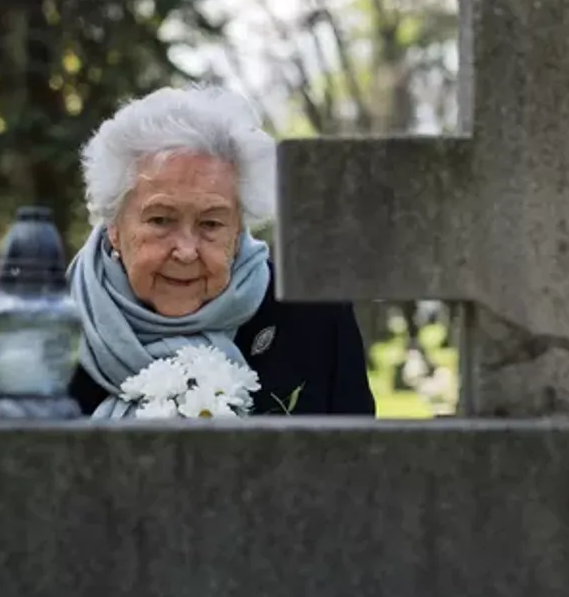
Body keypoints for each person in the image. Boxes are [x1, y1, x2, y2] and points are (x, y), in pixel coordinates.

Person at [66, 86, 376, 418]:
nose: (186, 251)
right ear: (114, 226)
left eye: (211, 224)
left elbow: (359, 463)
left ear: (239, 228)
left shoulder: (314, 317)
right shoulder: (52, 324)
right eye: (160, 220)